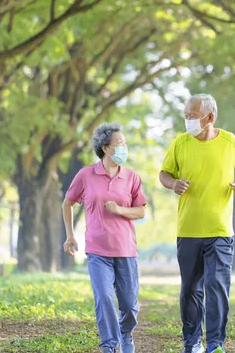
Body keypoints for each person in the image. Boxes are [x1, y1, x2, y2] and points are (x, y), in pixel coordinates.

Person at [159, 93, 235, 353]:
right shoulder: (180, 143)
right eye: (186, 116)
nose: (188, 121)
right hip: (188, 230)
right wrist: (173, 184)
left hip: (221, 231)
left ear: (210, 117)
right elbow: (164, 173)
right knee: (190, 289)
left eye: (192, 116)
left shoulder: (229, 141)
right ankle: (192, 343)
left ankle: (214, 344)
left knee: (217, 287)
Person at [62, 123, 146, 353]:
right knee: (105, 299)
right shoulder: (86, 175)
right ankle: (109, 346)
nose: (124, 147)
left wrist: (120, 210)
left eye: (125, 143)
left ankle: (126, 333)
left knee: (129, 304)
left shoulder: (131, 178)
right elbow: (68, 202)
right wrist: (70, 235)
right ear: (105, 148)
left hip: (126, 250)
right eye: (120, 143)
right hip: (97, 251)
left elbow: (140, 211)